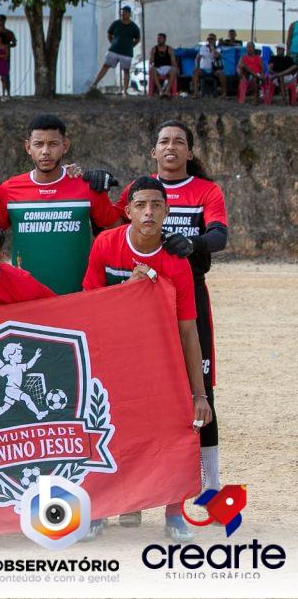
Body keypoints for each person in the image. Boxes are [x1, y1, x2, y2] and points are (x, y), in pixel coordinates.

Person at [82, 176, 212, 543]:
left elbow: (188, 329)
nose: (149, 212)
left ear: (167, 211)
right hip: (115, 352)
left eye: (156, 205)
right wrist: (129, 291)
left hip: (160, 356)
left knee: (175, 429)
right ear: (128, 211)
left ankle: (174, 512)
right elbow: (88, 306)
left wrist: (199, 394)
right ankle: (101, 509)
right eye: (141, 205)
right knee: (107, 428)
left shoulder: (177, 260)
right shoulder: (106, 244)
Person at [116, 120, 229, 499]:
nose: (171, 147)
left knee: (201, 389)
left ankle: (211, 485)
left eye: (179, 141)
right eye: (164, 141)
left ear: (190, 152)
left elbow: (219, 235)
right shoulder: (140, 189)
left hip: (188, 290)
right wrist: (93, 183)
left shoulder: (206, 190)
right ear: (153, 151)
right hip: (141, 294)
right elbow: (109, 221)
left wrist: (192, 244)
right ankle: (141, 486)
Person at [0, 114, 122, 295]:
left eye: (53, 144)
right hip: (25, 296)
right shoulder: (9, 190)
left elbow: (118, 231)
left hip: (78, 295)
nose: (45, 151)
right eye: (38, 144)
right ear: (28, 147)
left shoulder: (87, 187)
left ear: (64, 146)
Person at [90, 6, 140, 96]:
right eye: (122, 12)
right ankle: (94, 84)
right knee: (105, 66)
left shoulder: (134, 26)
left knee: (126, 70)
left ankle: (125, 91)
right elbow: (109, 34)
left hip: (126, 52)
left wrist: (131, 46)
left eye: (125, 12)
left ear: (129, 14)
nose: (123, 13)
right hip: (114, 50)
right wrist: (112, 43)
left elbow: (137, 39)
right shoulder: (116, 23)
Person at [191, 33, 227, 98]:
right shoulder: (203, 47)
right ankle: (195, 93)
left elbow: (216, 56)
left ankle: (224, 93)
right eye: (208, 39)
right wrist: (197, 66)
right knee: (195, 72)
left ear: (215, 40)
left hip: (214, 70)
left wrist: (212, 48)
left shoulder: (218, 48)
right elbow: (198, 57)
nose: (210, 40)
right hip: (203, 69)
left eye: (211, 39)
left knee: (221, 73)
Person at [149, 33, 179, 98]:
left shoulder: (169, 49)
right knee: (152, 70)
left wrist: (176, 68)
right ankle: (161, 91)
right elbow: (151, 62)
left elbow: (173, 61)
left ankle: (167, 91)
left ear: (164, 40)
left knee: (173, 69)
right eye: (158, 38)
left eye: (160, 38)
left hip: (167, 68)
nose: (158, 40)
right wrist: (152, 55)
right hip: (158, 68)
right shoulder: (154, 49)